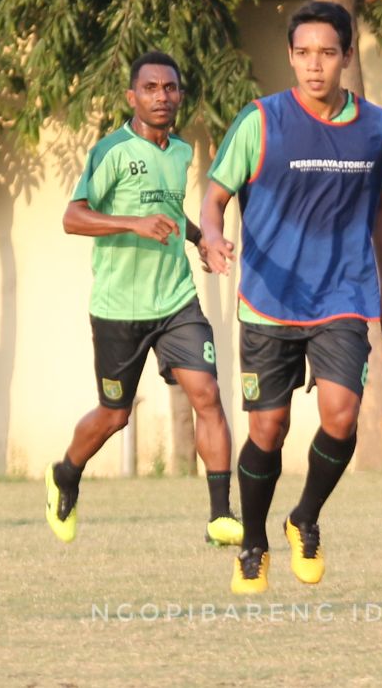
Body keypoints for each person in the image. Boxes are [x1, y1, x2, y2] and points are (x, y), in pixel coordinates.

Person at [198, 1, 382, 594]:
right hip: (268, 297)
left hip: (343, 294)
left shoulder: (380, 128)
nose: (315, 65)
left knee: (341, 415)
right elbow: (214, 199)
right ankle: (255, 542)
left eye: (328, 53)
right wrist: (212, 237)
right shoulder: (260, 122)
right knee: (269, 428)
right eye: (304, 53)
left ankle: (305, 518)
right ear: (290, 56)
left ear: (346, 56)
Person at [45, 51, 243, 548]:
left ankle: (221, 515)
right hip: (118, 309)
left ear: (179, 96)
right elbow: (73, 217)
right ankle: (66, 475)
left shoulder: (179, 152)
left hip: (176, 301)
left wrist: (202, 240)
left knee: (207, 396)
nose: (162, 96)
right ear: (132, 97)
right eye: (151, 88)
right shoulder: (112, 151)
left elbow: (169, 211)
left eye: (170, 88)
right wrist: (132, 223)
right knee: (115, 415)